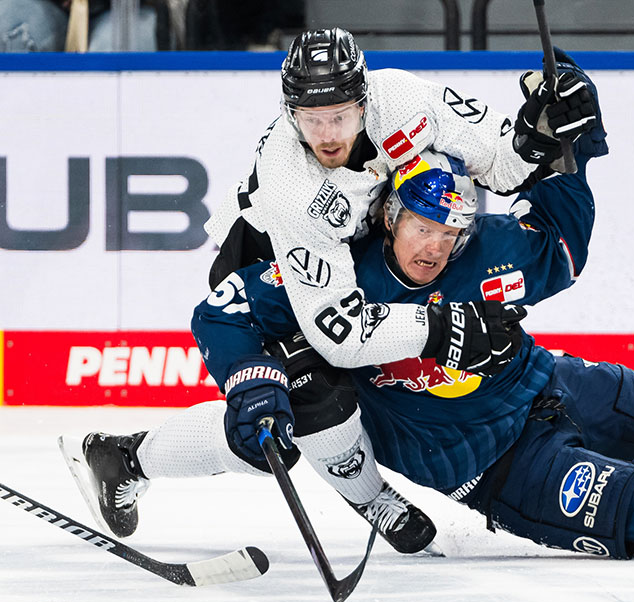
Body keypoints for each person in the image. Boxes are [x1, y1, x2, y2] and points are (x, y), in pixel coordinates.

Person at [60, 31, 599, 556]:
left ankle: (131, 456)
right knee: (286, 418)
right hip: (270, 257)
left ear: (365, 102)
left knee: (325, 397)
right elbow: (340, 333)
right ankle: (132, 459)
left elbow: (502, 168)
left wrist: (539, 131)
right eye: (311, 119)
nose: (327, 134)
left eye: (339, 115)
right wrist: (441, 330)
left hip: (361, 240)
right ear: (289, 112)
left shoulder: (407, 98)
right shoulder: (292, 186)